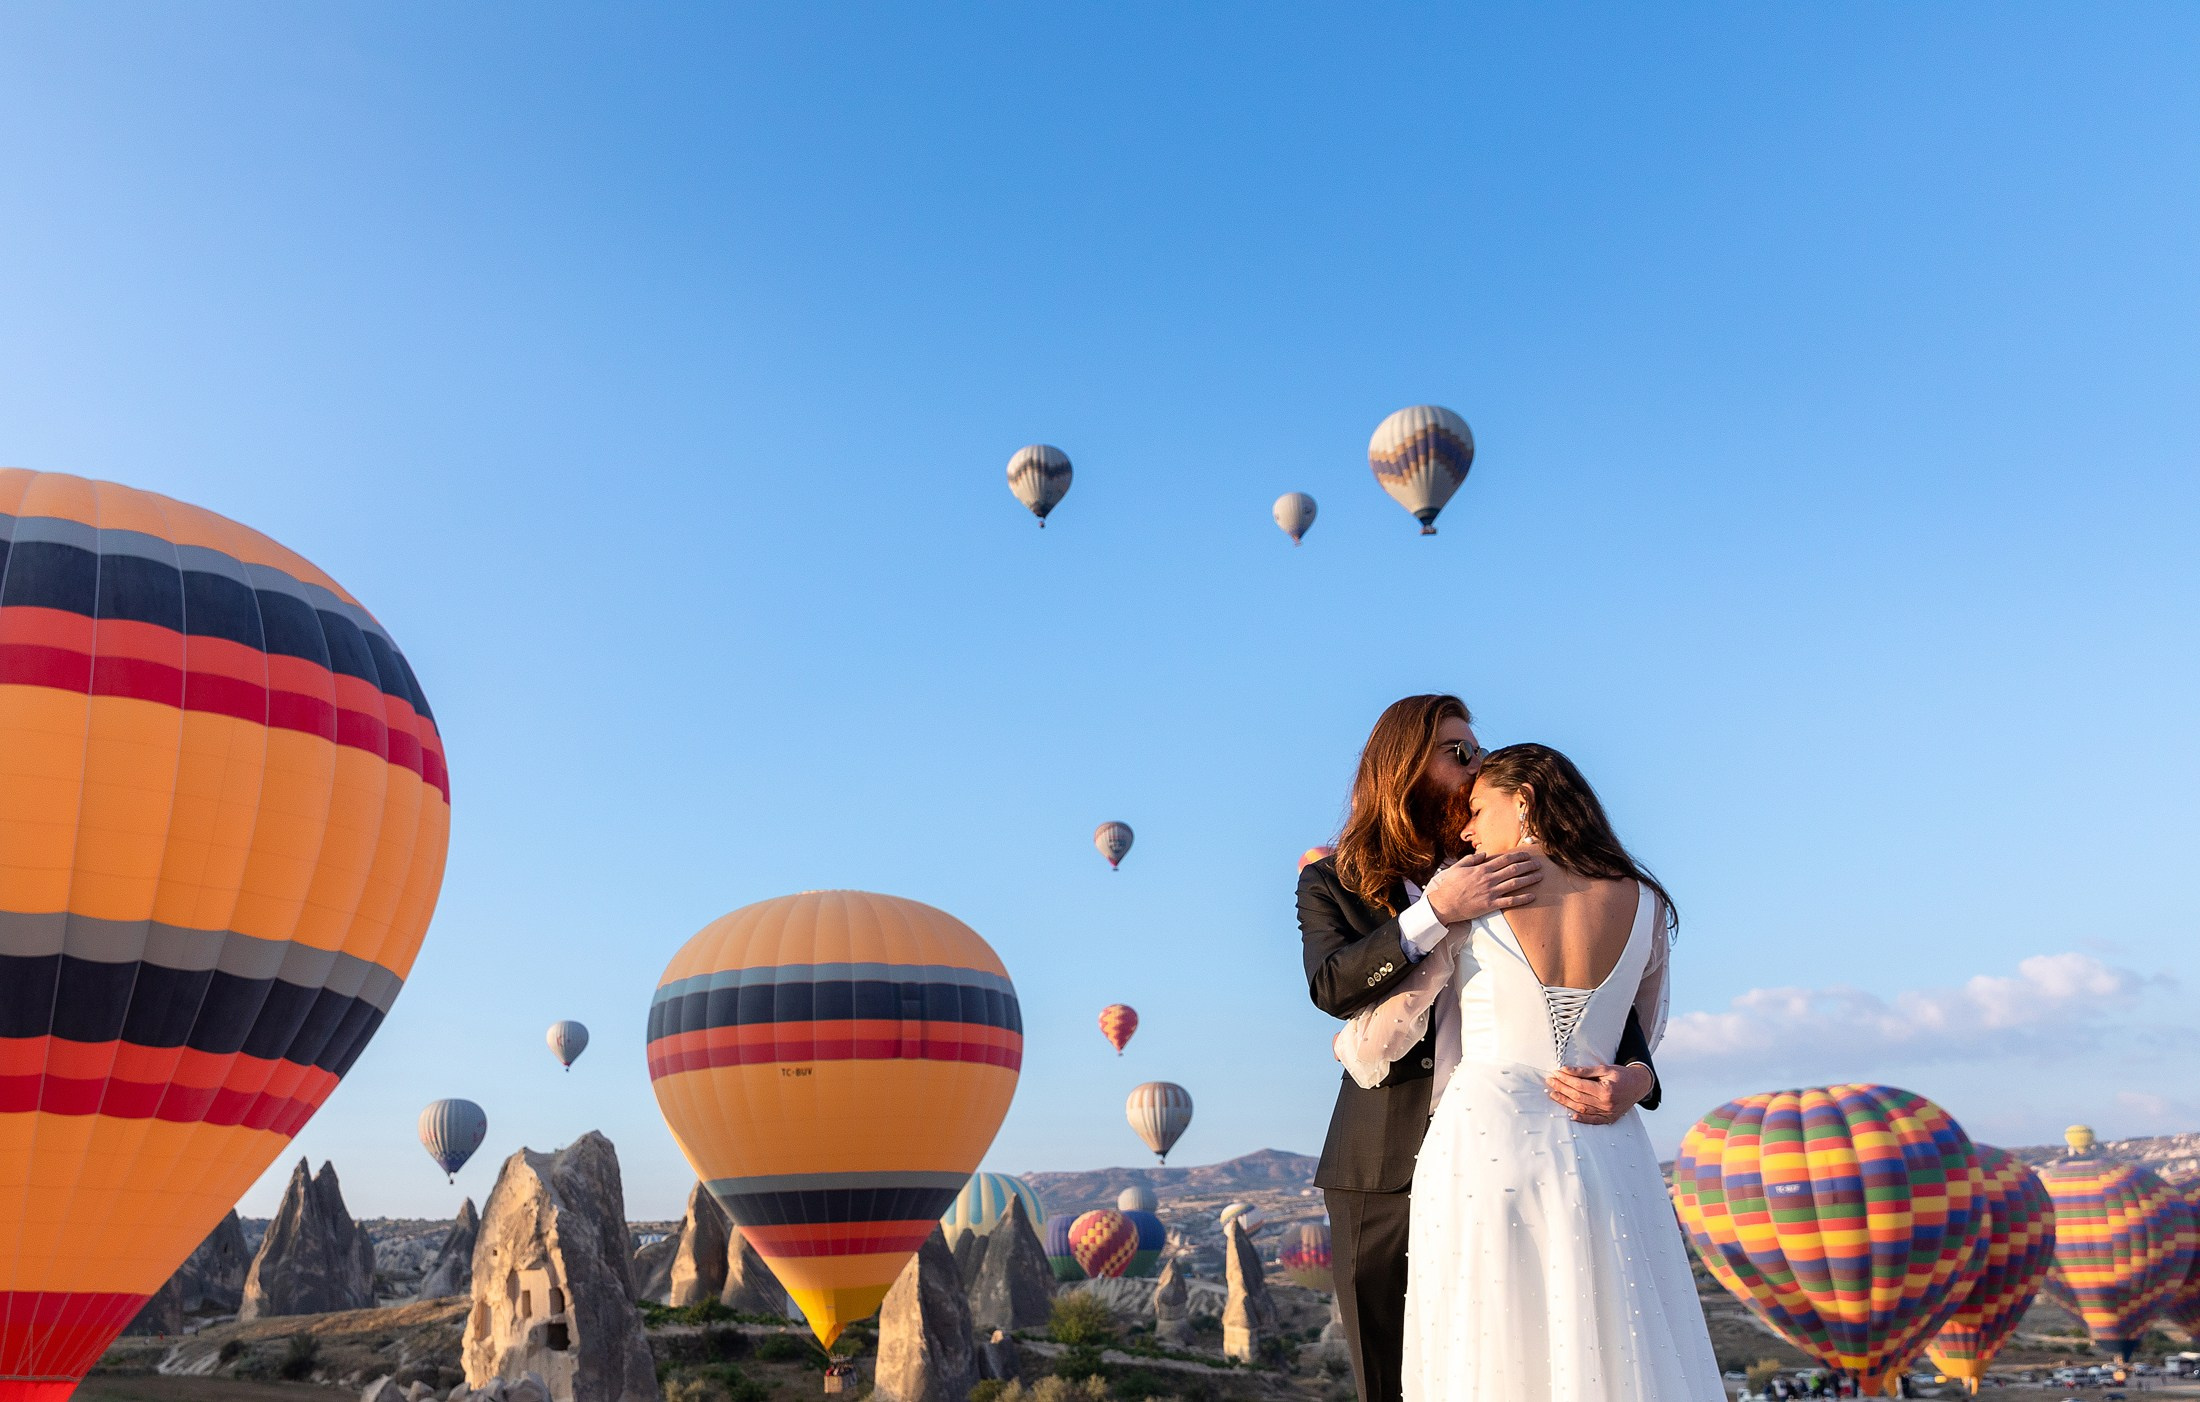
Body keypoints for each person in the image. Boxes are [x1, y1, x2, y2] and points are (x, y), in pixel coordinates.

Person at [1330, 742, 1722, 1400]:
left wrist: (1348, 1047)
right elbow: (1643, 1035)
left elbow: (1383, 1039)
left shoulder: (1476, 895)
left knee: (1489, 1351)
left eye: (1479, 810)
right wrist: (1636, 1082)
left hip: (1486, 1144)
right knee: (1614, 1335)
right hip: (1608, 1149)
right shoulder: (1646, 902)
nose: (1465, 829)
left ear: (1525, 801)